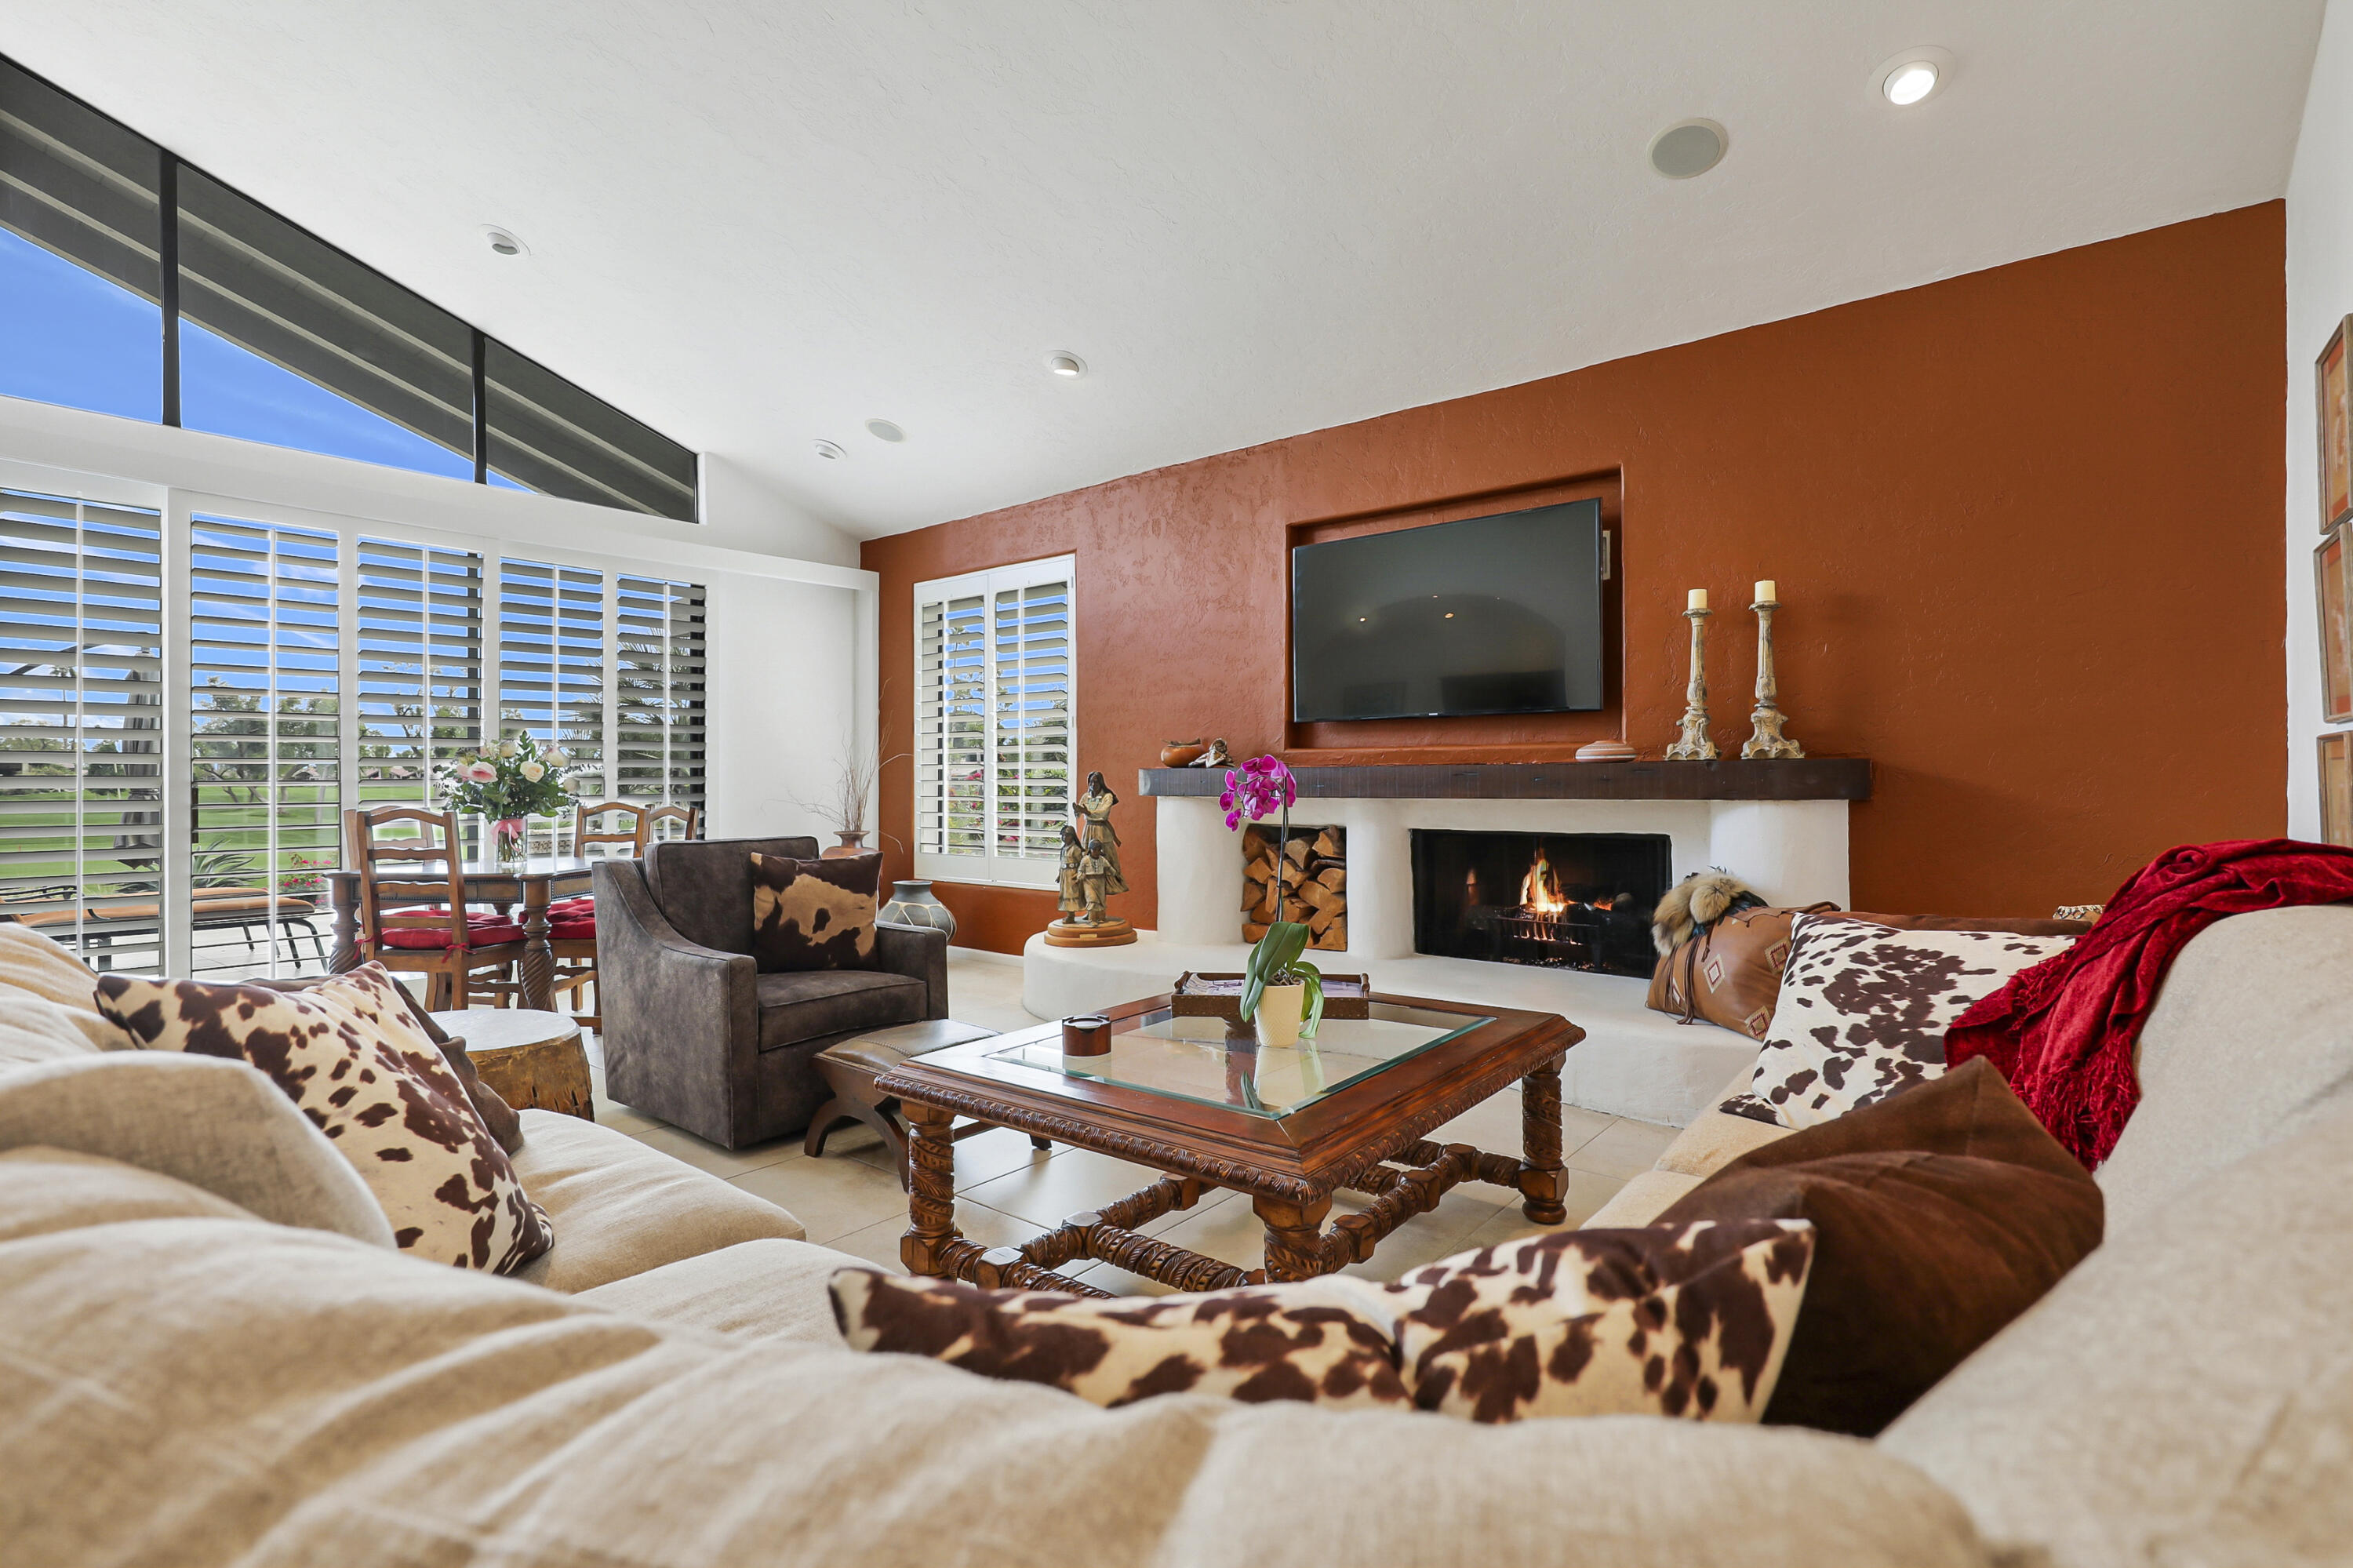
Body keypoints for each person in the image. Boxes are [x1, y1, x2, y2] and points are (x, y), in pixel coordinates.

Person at [1071, 771, 1129, 897]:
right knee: (1086, 854)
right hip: (1089, 829)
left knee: (1104, 855)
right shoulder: (1086, 796)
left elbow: (1103, 813)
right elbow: (1079, 813)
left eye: (1096, 781)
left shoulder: (1107, 796)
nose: (1093, 784)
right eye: (1091, 782)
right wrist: (1078, 811)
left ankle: (1108, 883)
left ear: (1101, 782)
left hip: (1101, 830)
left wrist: (1087, 811)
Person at [1054, 823, 1086, 920]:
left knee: (1072, 894)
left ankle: (1071, 916)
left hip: (1072, 875)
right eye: (1063, 835)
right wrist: (1060, 875)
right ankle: (1069, 915)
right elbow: (1062, 862)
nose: (1064, 837)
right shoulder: (1064, 849)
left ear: (1072, 836)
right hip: (1065, 875)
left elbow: (1082, 863)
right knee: (1066, 894)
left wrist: (1078, 874)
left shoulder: (1076, 849)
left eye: (1067, 835)